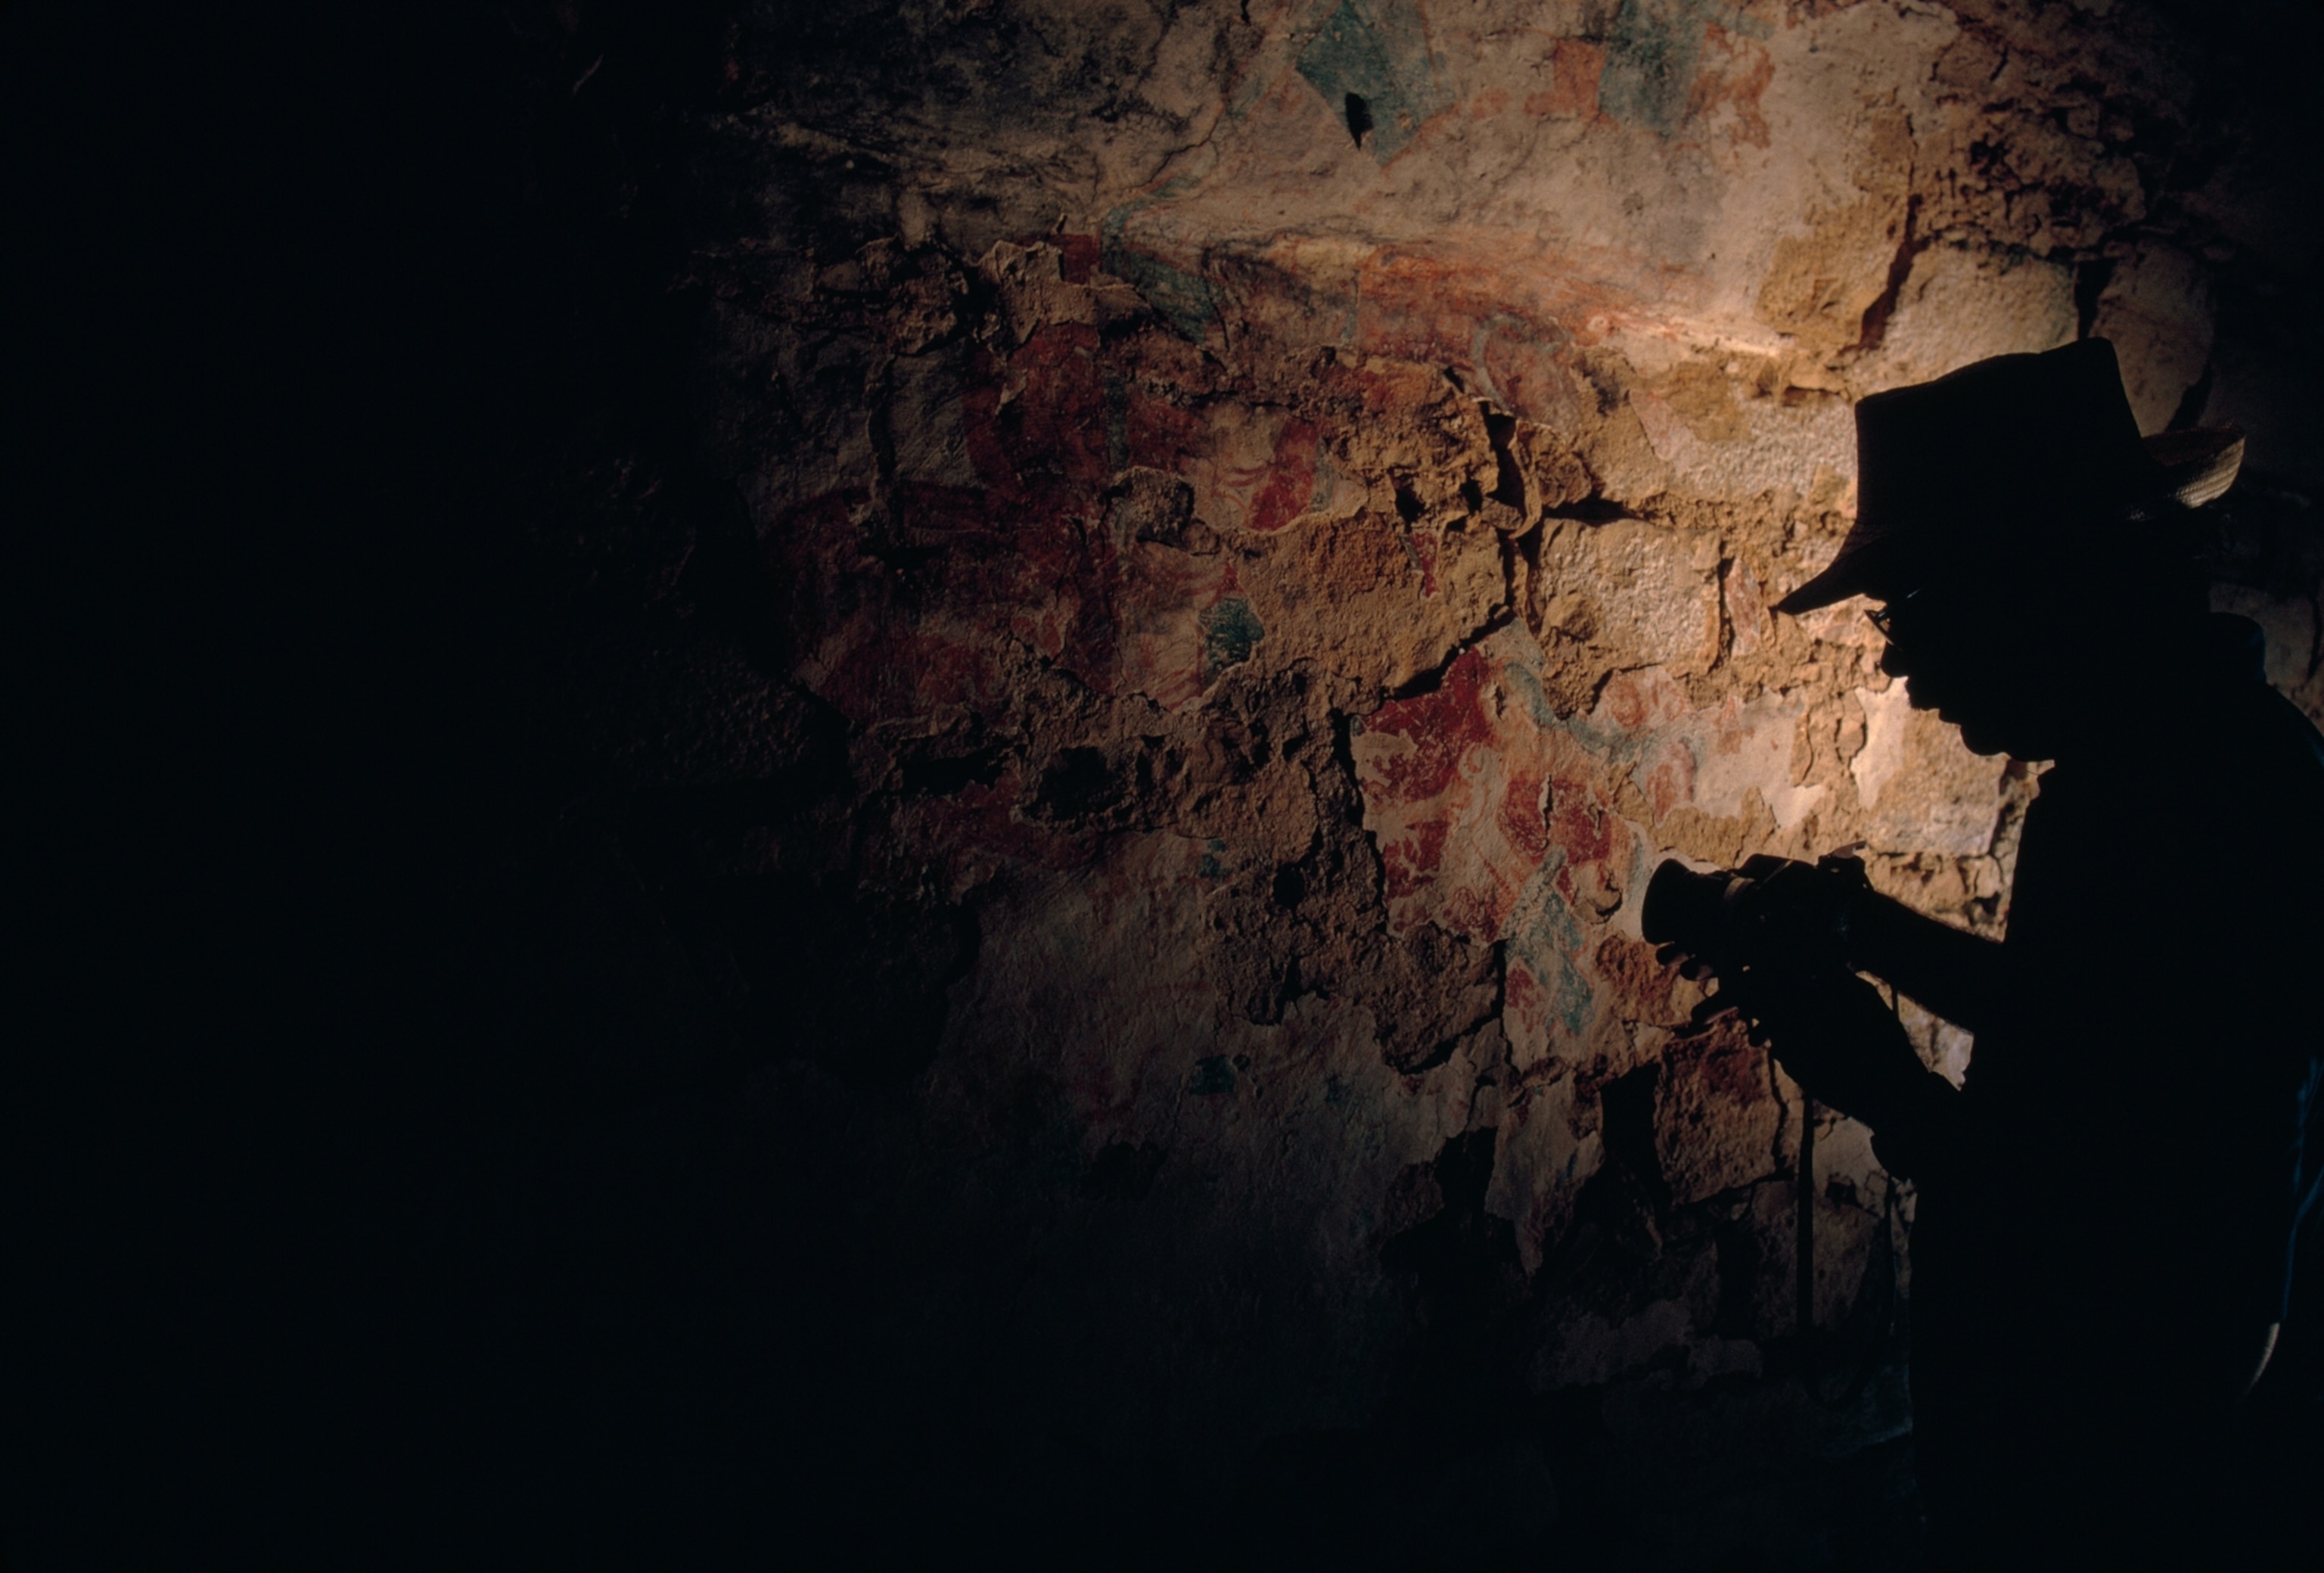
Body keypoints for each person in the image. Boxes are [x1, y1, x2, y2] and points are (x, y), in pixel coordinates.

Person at [1668, 340, 2323, 1565]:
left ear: (2036, 581)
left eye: (1914, 605)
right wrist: (1869, 931)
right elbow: (2093, 1025)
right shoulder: (2182, 771)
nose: (1900, 661)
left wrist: (1899, 1098)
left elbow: (2157, 1232)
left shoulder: (2182, 800)